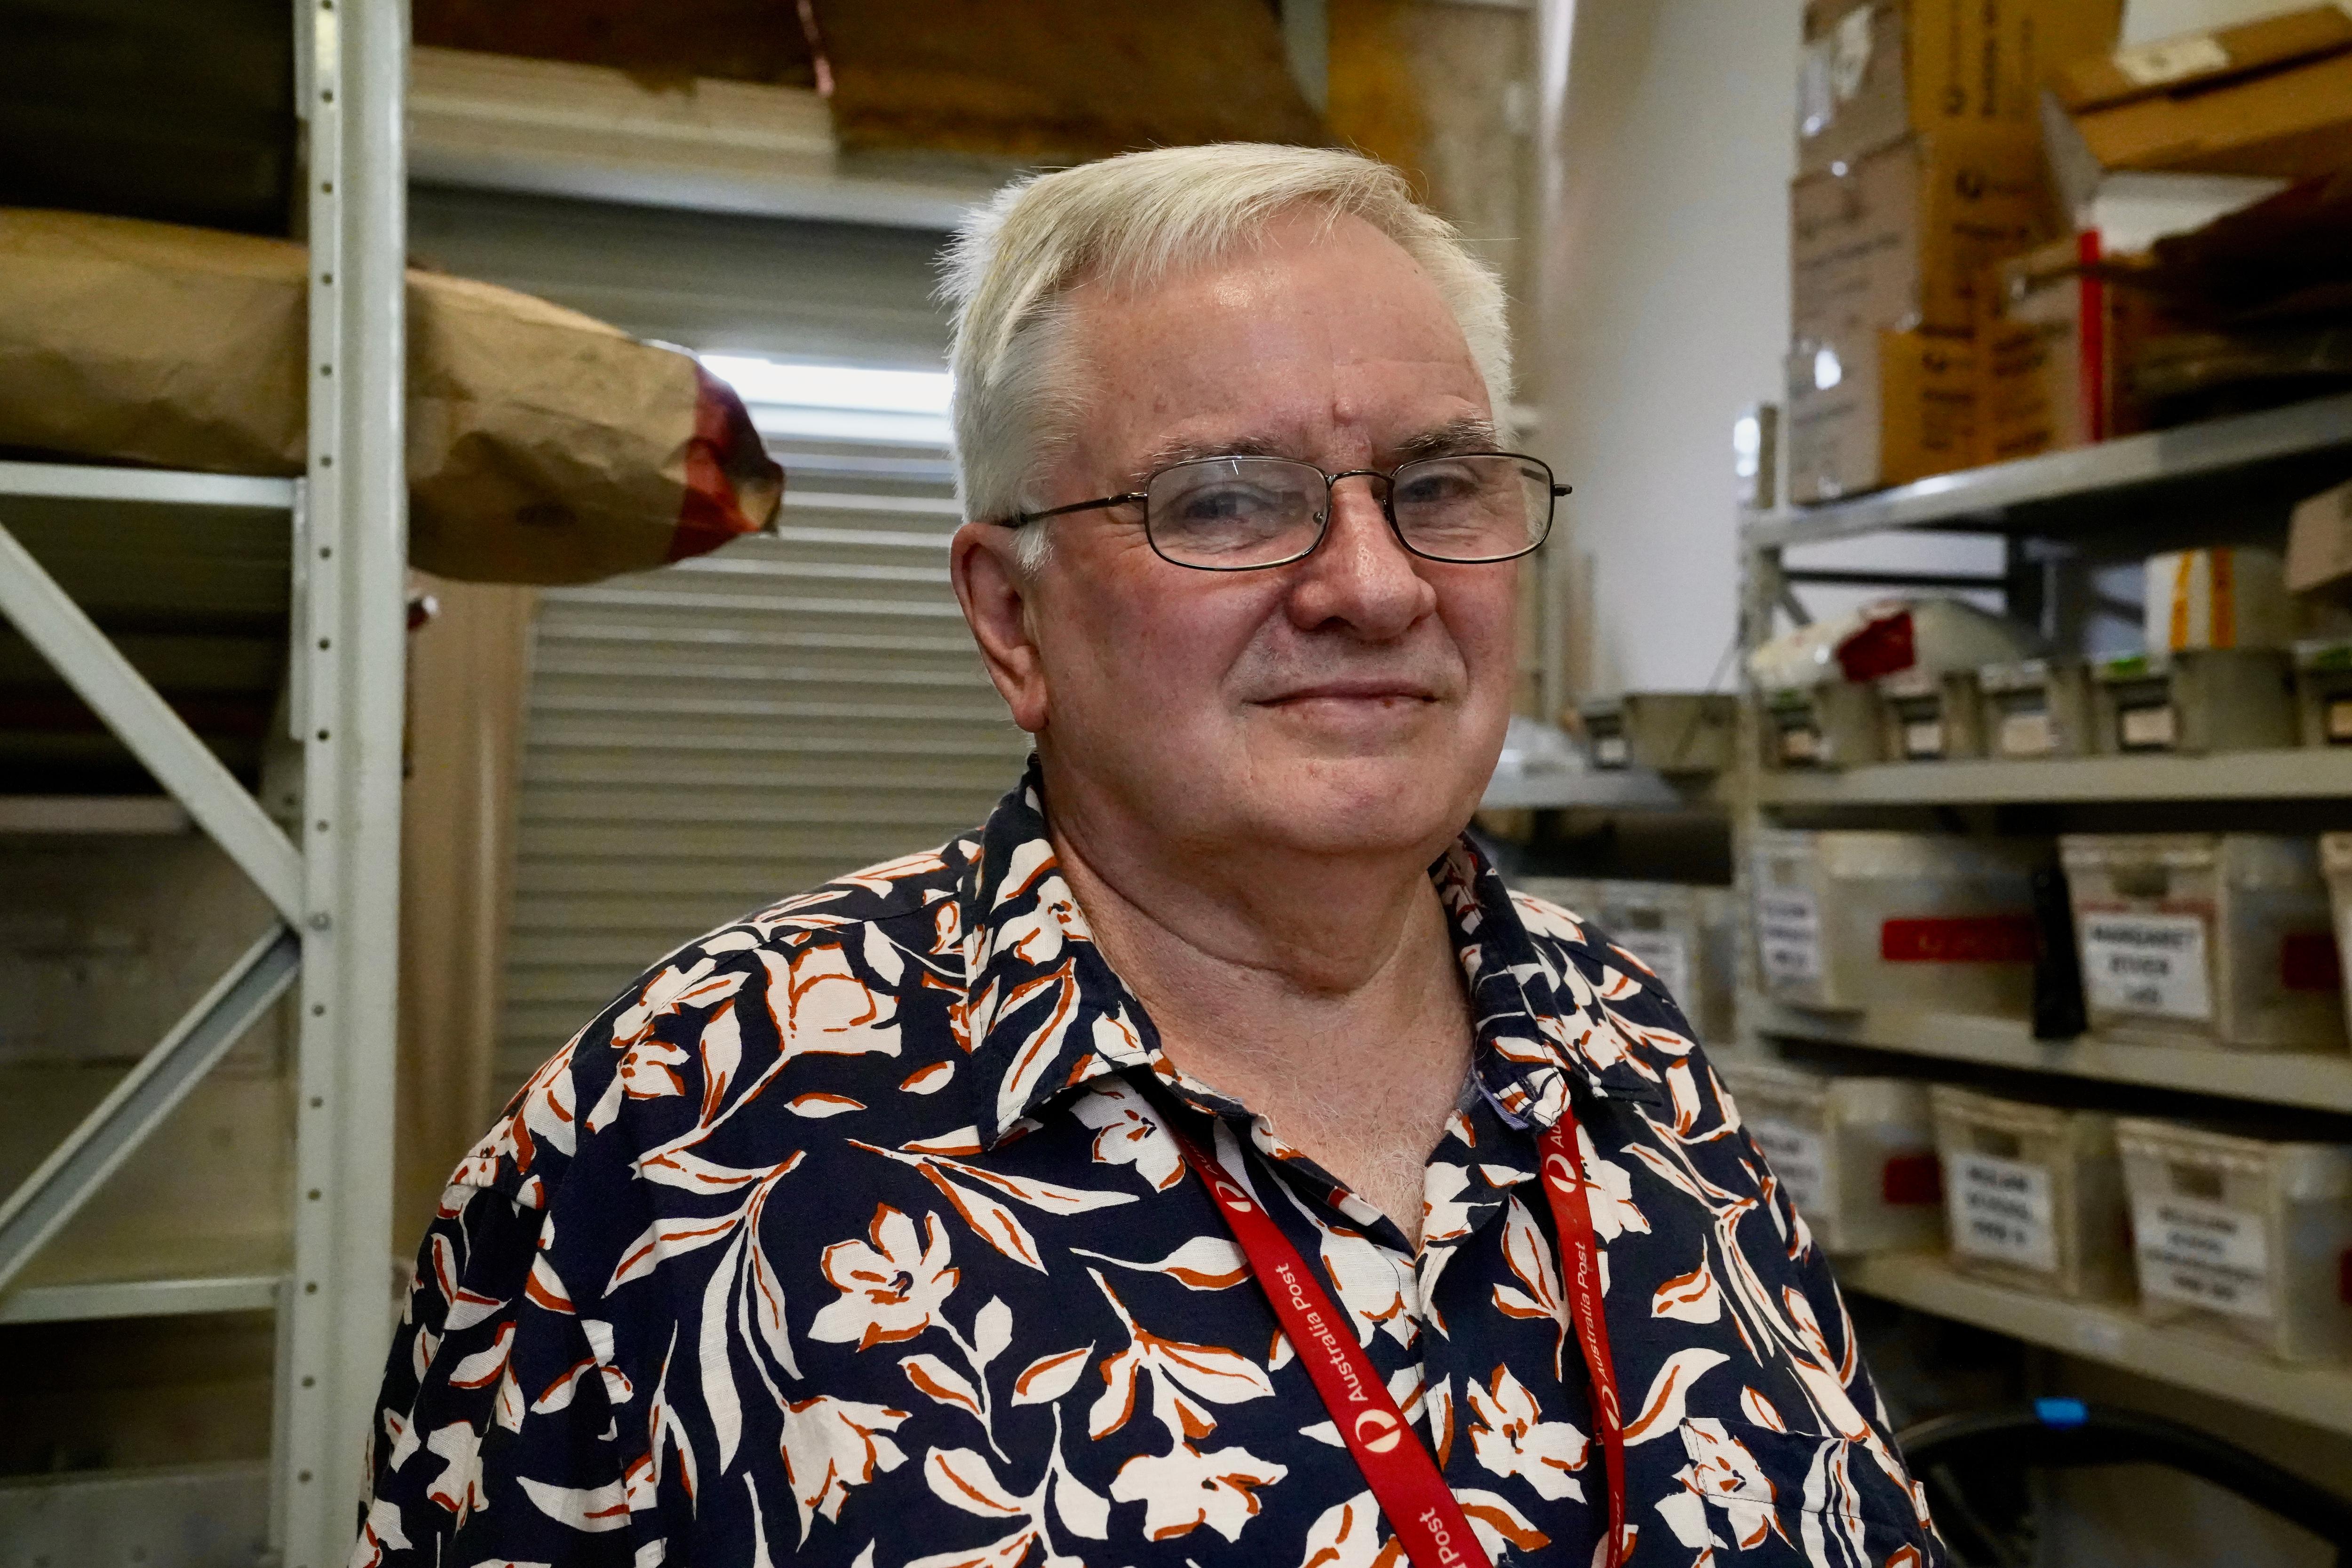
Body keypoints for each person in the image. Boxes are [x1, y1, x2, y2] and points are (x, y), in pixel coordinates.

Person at [353, 143, 1944, 1568]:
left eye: (1440, 486)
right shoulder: (673, 1139)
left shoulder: (1634, 1051)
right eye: (1230, 502)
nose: (1376, 587)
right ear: (1011, 617)